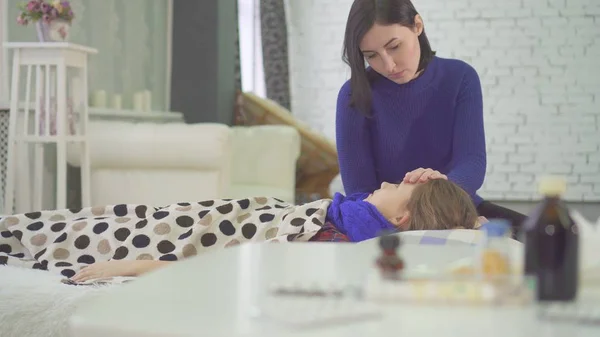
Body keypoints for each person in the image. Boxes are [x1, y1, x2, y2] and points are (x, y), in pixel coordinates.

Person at [335, 0, 527, 233]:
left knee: (553, 236)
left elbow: (472, 164)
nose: (389, 65)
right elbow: (359, 191)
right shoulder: (352, 95)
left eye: (394, 46)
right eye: (371, 55)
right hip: (391, 218)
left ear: (417, 25)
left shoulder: (460, 77)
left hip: (453, 205)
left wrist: (438, 189)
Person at [70, 178, 479, 282]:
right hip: (201, 215)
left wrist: (136, 267)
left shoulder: (334, 244)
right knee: (100, 217)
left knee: (77, 231)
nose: (390, 182)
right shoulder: (346, 218)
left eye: (401, 187)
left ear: (401, 220)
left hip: (168, 236)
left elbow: (230, 274)